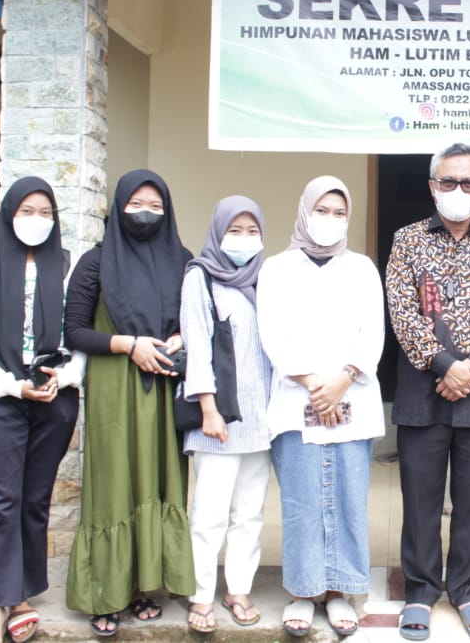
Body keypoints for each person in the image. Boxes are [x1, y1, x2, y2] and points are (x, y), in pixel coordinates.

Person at [386, 143, 470, 641]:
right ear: (433, 186)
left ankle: (467, 589)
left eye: (468, 183)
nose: (458, 190)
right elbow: (401, 311)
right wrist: (445, 365)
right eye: (449, 182)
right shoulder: (407, 240)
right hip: (422, 390)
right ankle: (420, 592)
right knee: (420, 500)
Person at [64, 169, 195, 637]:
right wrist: (127, 344)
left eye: (156, 207)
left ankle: (144, 587)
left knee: (157, 482)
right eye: (136, 204)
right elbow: (74, 330)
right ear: (118, 208)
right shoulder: (95, 263)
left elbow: (194, 320)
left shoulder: (183, 261)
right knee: (114, 484)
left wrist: (180, 336)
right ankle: (105, 591)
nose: (146, 214)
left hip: (162, 390)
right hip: (114, 390)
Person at [0, 176, 84, 643]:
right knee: (0, 501)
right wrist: (11, 385)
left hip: (54, 400)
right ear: (9, 216)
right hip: (1, 400)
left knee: (33, 500)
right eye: (27, 211)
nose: (37, 220)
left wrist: (65, 378)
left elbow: (79, 333)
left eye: (46, 212)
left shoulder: (67, 270)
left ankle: (22, 593)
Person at [258, 176, 385, 639]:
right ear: (304, 210)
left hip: (353, 398)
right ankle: (303, 590)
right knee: (302, 503)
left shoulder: (362, 268)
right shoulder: (276, 268)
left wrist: (342, 380)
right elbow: (272, 333)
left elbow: (372, 333)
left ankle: (339, 593)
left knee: (349, 501)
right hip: (297, 400)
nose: (330, 220)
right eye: (322, 210)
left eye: (339, 213)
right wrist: (315, 385)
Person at [181, 195, 271, 634]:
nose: (244, 239)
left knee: (250, 511)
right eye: (234, 231)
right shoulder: (200, 277)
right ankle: (201, 593)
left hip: (260, 419)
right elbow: (197, 344)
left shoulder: (264, 280)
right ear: (218, 233)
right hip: (217, 419)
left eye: (252, 231)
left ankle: (238, 588)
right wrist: (208, 409)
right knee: (209, 513)